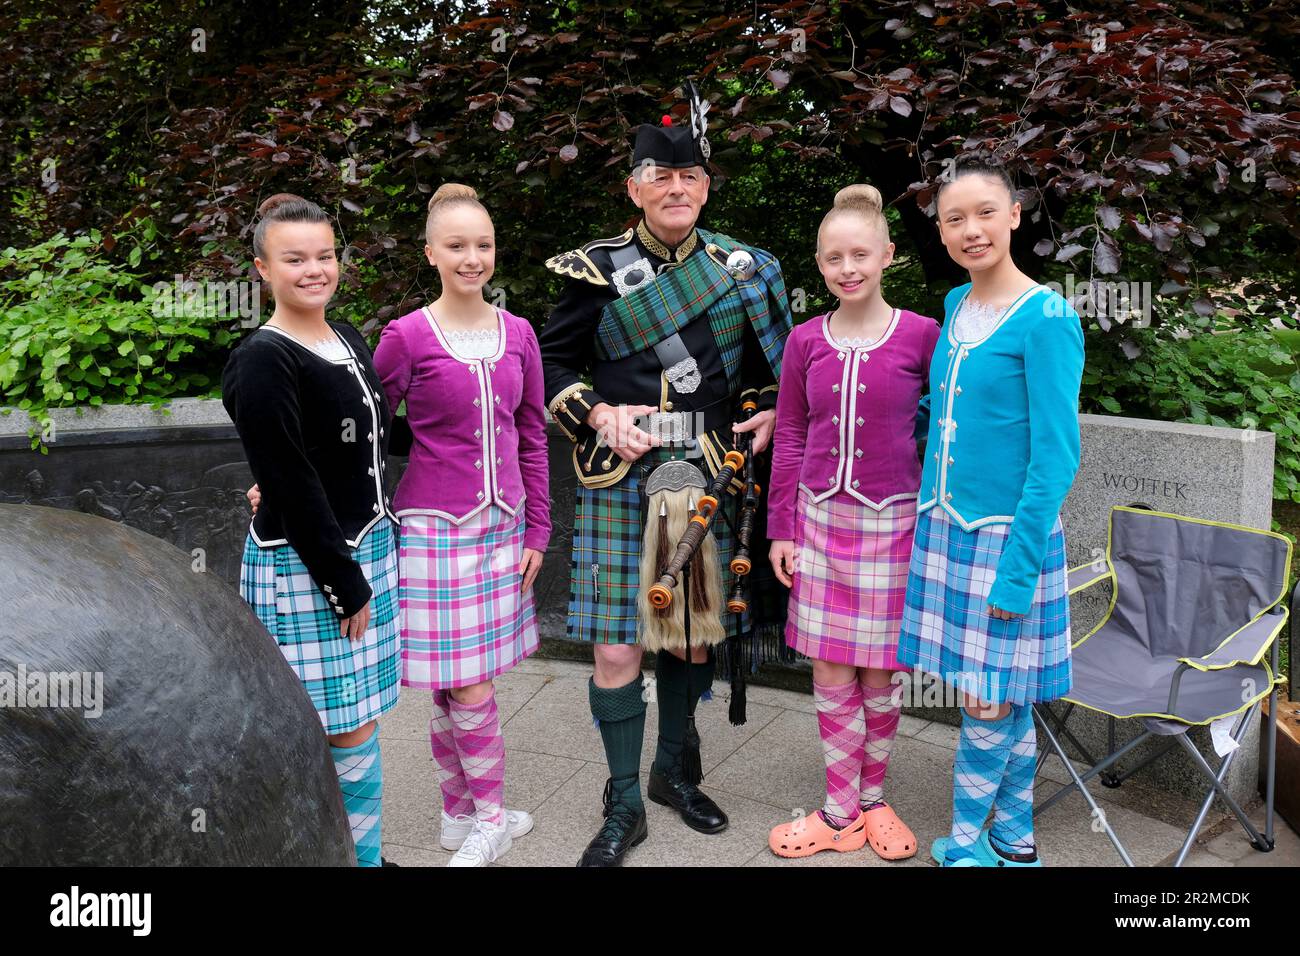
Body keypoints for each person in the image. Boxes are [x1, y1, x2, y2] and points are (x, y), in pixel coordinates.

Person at [538, 94, 792, 866]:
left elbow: (766, 375)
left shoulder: (744, 272)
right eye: (660, 175)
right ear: (634, 188)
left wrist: (769, 413)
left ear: (705, 187)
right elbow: (549, 365)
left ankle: (672, 775)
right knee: (619, 647)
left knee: (688, 639)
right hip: (622, 471)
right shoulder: (594, 270)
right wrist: (594, 413)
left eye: (690, 175)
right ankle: (621, 805)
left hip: (708, 469)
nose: (676, 187)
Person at [895, 158, 1085, 867]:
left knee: (982, 700)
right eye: (953, 219)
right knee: (1007, 696)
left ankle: (969, 842)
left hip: (1008, 540)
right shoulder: (954, 306)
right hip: (946, 526)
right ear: (941, 232)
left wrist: (1018, 571)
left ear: (1014, 214)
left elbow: (1056, 457)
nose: (970, 229)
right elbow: (944, 407)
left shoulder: (1049, 318)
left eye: (984, 212)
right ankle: (1017, 836)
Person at [223, 193, 404, 867]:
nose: (314, 270)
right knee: (341, 727)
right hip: (313, 564)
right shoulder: (262, 358)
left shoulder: (347, 333)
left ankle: (355, 855)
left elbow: (370, 438)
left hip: (366, 546)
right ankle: (357, 860)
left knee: (357, 721)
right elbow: (292, 482)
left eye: (325, 256)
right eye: (294, 258)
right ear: (262, 268)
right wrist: (344, 583)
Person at [371, 183, 550, 867]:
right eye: (457, 246)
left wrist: (538, 530)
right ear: (431, 253)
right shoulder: (405, 336)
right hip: (428, 530)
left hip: (502, 529)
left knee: (468, 680)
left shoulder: (520, 334)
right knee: (457, 681)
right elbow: (359, 427)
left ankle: (476, 814)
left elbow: (531, 435)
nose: (472, 258)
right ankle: (477, 816)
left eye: (483, 244)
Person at [765, 184, 939, 860]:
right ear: (820, 263)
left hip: (896, 524)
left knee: (881, 671)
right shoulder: (805, 341)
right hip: (817, 523)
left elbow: (950, 429)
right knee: (832, 668)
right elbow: (790, 430)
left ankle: (873, 801)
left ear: (888, 255)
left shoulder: (924, 336)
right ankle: (839, 811)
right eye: (834, 258)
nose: (848, 268)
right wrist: (782, 525)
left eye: (860, 254)